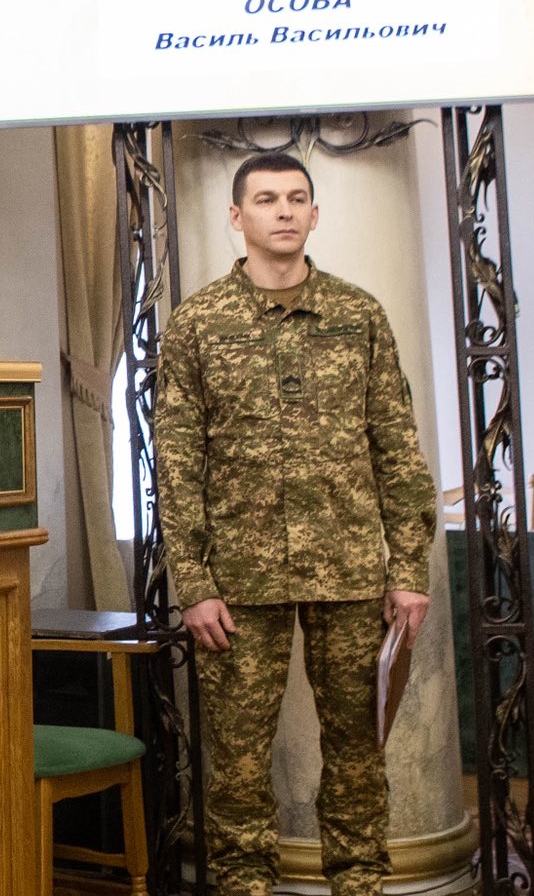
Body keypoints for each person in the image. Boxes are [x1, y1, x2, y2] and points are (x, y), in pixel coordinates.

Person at [154, 151, 436, 896]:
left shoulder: (358, 316)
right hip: (238, 587)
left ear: (314, 215)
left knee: (356, 753)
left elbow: (397, 451)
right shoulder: (198, 325)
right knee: (238, 763)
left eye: (298, 198)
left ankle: (360, 885)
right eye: (267, 199)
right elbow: (176, 466)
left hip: (349, 576)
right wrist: (194, 583)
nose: (284, 211)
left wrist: (408, 571)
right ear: (237, 217)